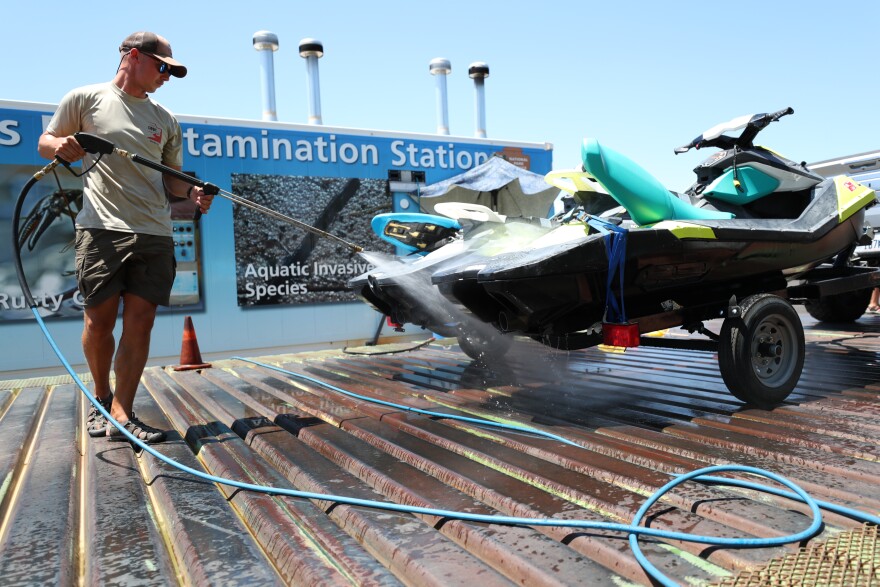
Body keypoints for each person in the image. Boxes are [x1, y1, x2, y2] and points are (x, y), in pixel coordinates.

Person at [38, 32, 214, 443]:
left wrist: (194, 193)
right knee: (98, 322)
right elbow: (47, 142)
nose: (167, 76)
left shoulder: (166, 120)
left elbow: (173, 185)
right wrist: (60, 146)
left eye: (171, 71)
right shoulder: (85, 98)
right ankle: (101, 399)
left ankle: (123, 413)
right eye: (163, 67)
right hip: (101, 228)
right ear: (133, 57)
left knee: (141, 322)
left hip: (155, 231)